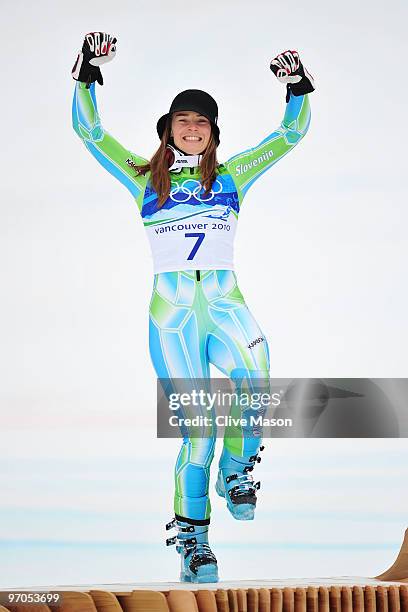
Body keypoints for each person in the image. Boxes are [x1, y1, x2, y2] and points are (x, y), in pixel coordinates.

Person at [71, 31, 314, 583]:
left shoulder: (232, 177)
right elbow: (90, 132)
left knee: (257, 386)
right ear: (167, 131)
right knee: (197, 433)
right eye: (183, 120)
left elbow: (288, 135)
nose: (193, 128)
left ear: (213, 134)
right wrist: (85, 71)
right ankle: (194, 544)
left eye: (203, 122)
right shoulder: (142, 179)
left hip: (227, 306)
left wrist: (298, 86)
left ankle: (237, 470)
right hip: (172, 319)